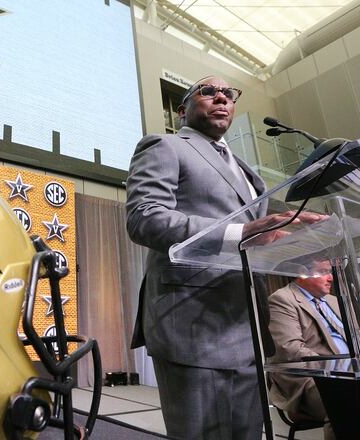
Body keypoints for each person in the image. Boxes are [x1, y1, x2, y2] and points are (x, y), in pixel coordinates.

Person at [126, 75, 322, 440]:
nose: (221, 97)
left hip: (246, 323)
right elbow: (145, 218)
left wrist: (283, 243)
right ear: (182, 110)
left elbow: (251, 238)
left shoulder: (246, 170)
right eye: (209, 91)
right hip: (195, 324)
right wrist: (241, 232)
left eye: (229, 94)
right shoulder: (166, 146)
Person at [266, 259, 345, 440]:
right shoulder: (281, 299)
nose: (331, 278)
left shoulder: (334, 301)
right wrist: (343, 368)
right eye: (324, 271)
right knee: (348, 400)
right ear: (302, 273)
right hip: (310, 379)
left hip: (351, 373)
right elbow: (291, 350)